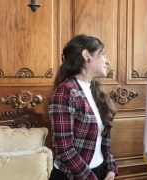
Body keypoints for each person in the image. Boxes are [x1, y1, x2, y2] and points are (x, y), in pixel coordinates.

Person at [49, 34, 118, 180]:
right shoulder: (65, 91)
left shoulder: (96, 90)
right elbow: (65, 149)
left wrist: (111, 167)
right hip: (72, 175)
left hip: (99, 171)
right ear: (87, 55)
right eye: (103, 55)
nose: (108, 61)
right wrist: (90, 178)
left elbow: (102, 138)